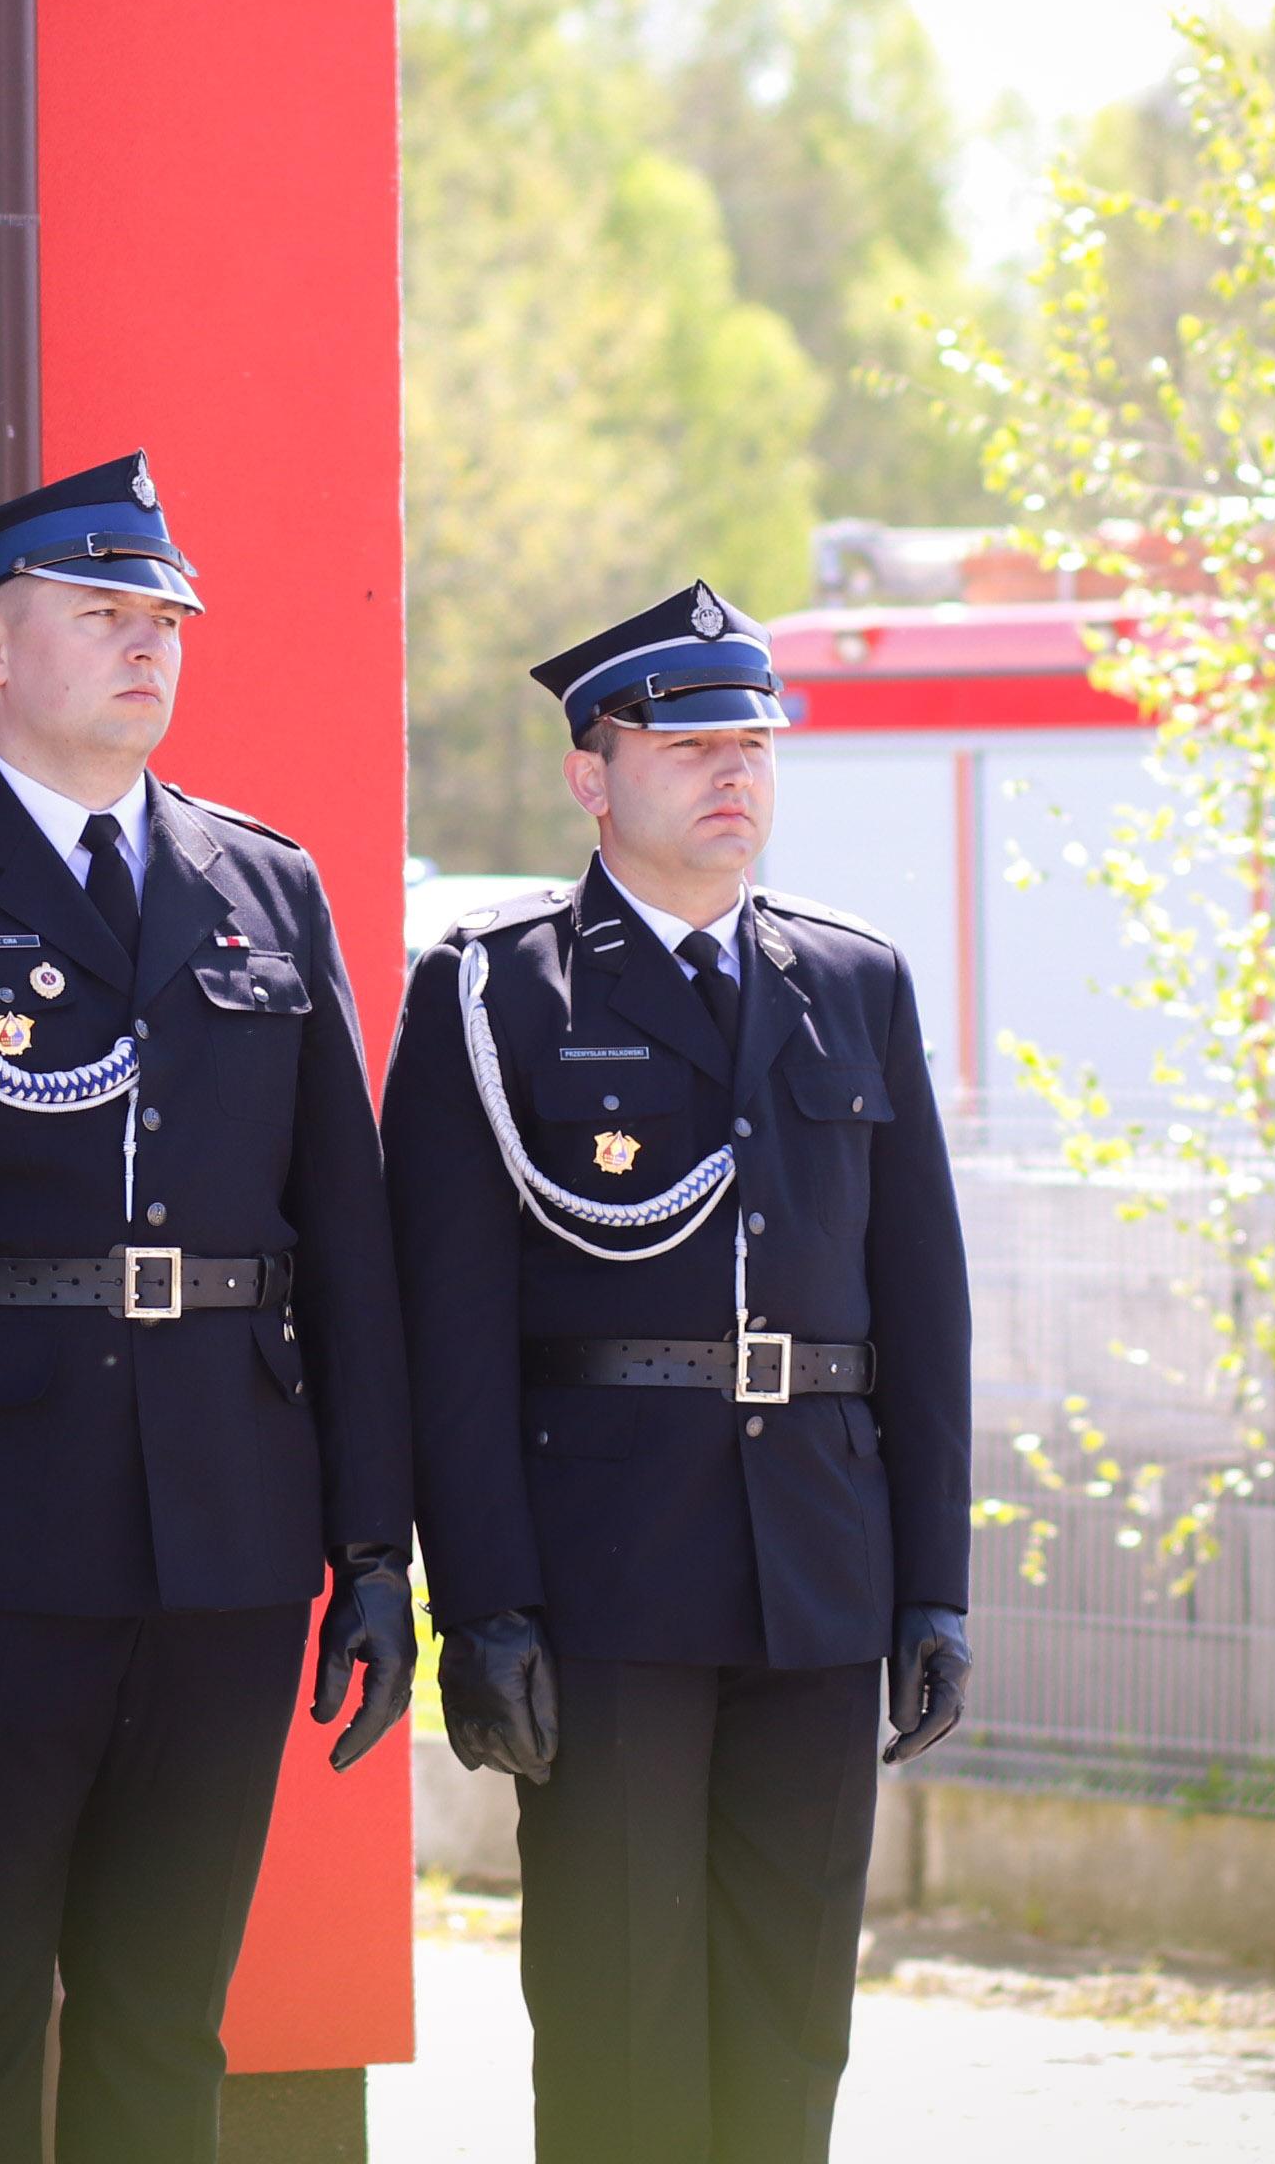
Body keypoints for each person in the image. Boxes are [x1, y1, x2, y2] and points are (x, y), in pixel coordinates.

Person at [0, 452, 417, 2164]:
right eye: (102, 613)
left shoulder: (264, 883)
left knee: (165, 2014)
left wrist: (372, 1547)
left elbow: (345, 1242)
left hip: (230, 1537)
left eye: (165, 619)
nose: (147, 645)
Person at [381, 578, 973, 2162]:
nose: (734, 773)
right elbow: (446, 1334)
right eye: (693, 743)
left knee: (792, 2022)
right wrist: (483, 1604)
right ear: (592, 774)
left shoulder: (854, 982)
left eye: (756, 744)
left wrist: (934, 1588)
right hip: (606, 1577)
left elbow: (924, 1313)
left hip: (819, 1571)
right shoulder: (495, 992)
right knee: (619, 2019)